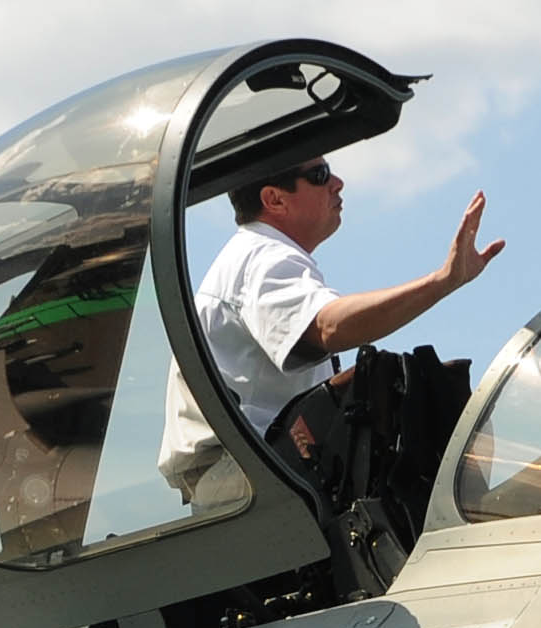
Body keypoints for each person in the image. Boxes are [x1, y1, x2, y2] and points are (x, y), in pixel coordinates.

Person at [159, 156, 503, 489]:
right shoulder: (263, 256)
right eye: (320, 175)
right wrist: (442, 281)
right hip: (249, 477)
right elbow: (330, 327)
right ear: (275, 199)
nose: (337, 183)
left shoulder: (255, 255)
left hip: (248, 473)